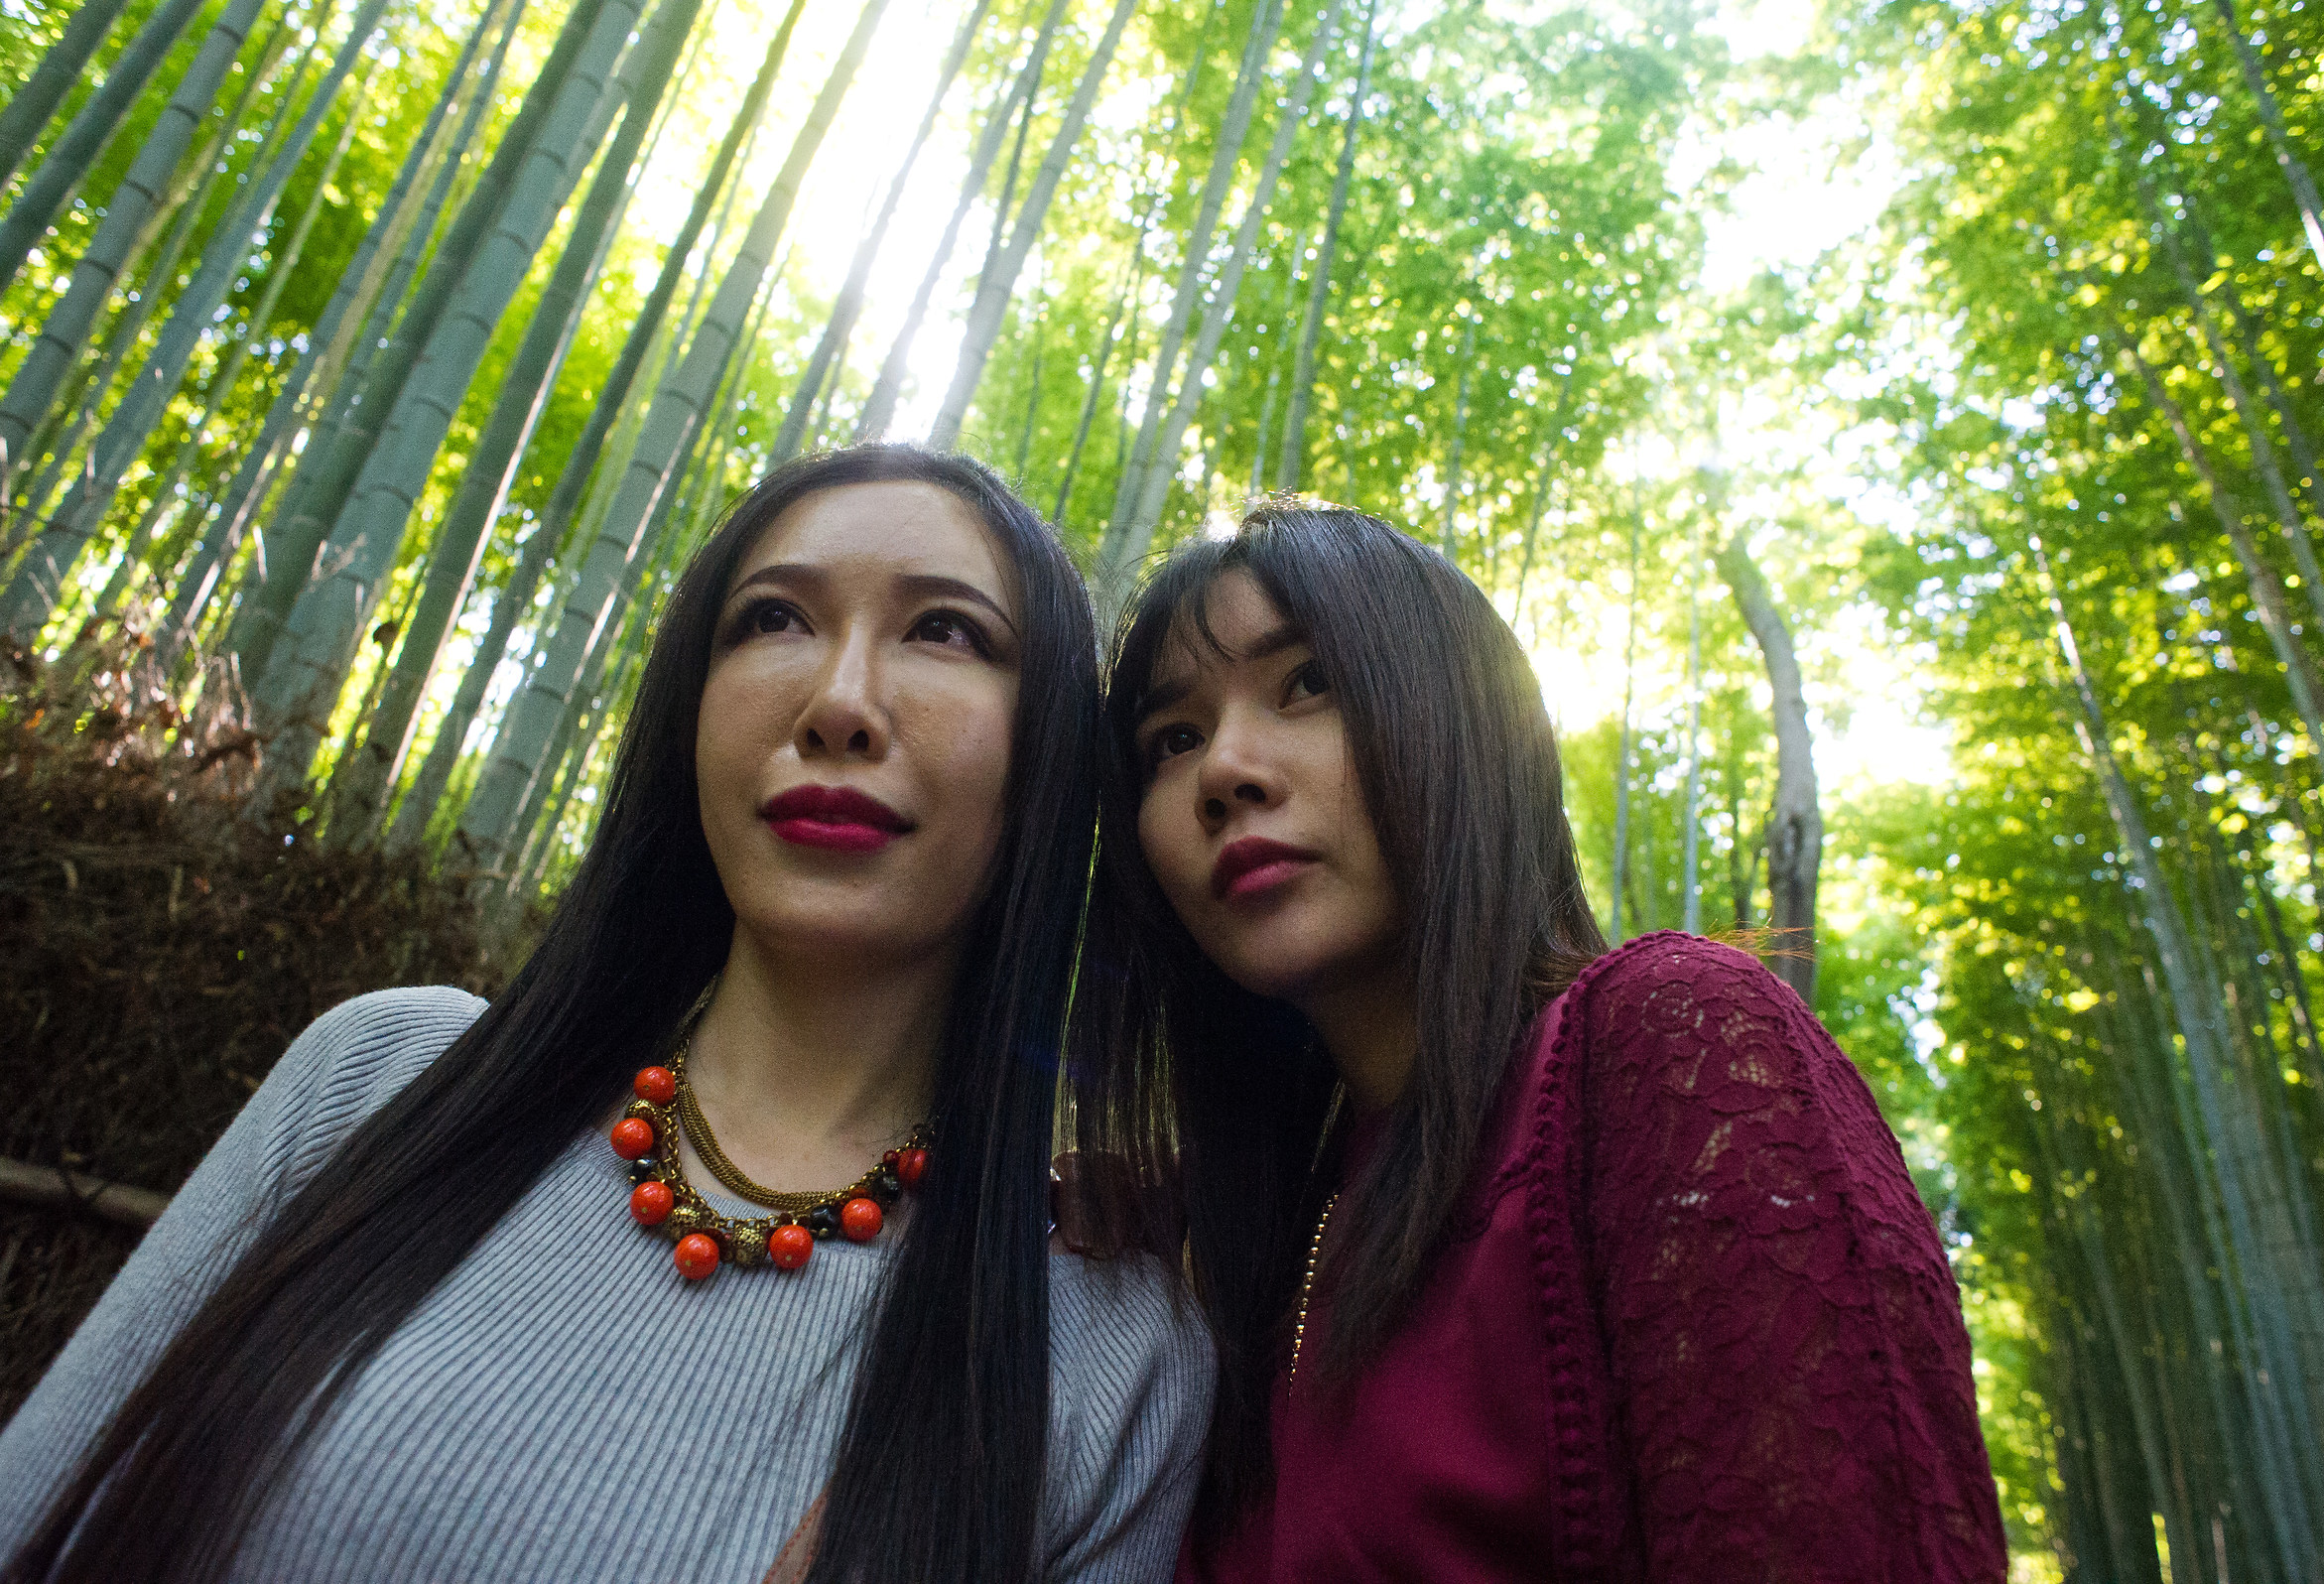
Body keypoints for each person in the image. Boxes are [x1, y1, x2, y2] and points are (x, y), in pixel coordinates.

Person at [0, 446, 1212, 1584]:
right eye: (773, 619)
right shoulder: (382, 1079)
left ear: (1049, 754)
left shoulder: (1111, 1351)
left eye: (947, 631)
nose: (839, 703)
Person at [1070, 504, 2006, 1581]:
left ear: (1466, 721)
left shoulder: (1672, 1050)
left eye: (1310, 682)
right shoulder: (1233, 1239)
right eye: (1171, 738)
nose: (1226, 769)